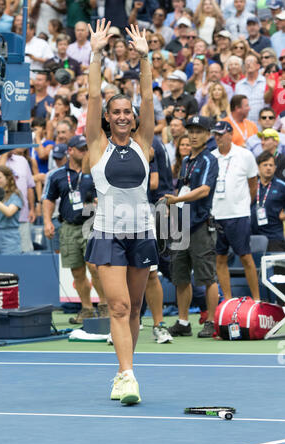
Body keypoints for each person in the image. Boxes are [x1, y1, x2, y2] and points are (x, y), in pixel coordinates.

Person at [85, 20, 159, 405]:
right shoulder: (97, 145)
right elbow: (93, 97)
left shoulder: (145, 141)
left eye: (126, 111)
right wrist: (95, 54)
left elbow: (148, 101)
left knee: (134, 310)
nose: (123, 115)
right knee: (119, 305)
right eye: (116, 112)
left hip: (142, 232)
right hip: (108, 234)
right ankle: (129, 377)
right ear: (108, 117)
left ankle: (121, 371)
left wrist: (145, 59)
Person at [43, 134, 108, 323]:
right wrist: (47, 221)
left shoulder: (95, 172)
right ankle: (86, 308)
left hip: (91, 224)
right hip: (68, 225)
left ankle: (104, 305)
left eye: (86, 148)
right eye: (81, 149)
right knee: (77, 271)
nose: (85, 152)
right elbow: (48, 199)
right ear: (69, 151)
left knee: (95, 267)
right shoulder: (56, 175)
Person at [164, 115, 219, 339]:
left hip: (199, 226)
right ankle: (183, 321)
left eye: (199, 131)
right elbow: (183, 189)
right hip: (181, 225)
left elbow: (205, 190)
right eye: (191, 131)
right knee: (180, 277)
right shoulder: (186, 161)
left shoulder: (208, 160)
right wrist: (172, 207)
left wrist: (176, 201)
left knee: (207, 277)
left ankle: (212, 321)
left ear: (207, 135)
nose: (194, 135)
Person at [210, 120, 260, 301]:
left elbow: (253, 185)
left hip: (238, 214)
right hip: (216, 214)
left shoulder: (245, 155)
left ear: (230, 134)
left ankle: (256, 299)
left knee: (246, 256)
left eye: (221, 134)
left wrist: (244, 205)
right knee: (220, 259)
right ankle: (228, 300)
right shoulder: (211, 156)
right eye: (215, 134)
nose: (217, 137)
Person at [251, 150, 285, 252]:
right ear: (258, 167)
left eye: (271, 165)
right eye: (265, 165)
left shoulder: (281, 186)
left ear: (275, 168)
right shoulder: (251, 185)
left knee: (275, 267)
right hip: (252, 235)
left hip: (274, 237)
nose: (268, 168)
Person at [0, 166, 23, 255]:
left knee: (9, 267)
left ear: (8, 178)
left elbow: (9, 212)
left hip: (9, 235)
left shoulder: (15, 194)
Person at [235, 54, 266, 125]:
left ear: (258, 66)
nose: (249, 64)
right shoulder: (239, 85)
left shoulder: (265, 82)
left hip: (263, 124)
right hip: (244, 124)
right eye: (246, 62)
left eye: (251, 61)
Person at [264, 48, 285, 117]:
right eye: (281, 59)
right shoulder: (273, 77)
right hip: (277, 120)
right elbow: (266, 101)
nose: (284, 61)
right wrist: (270, 90)